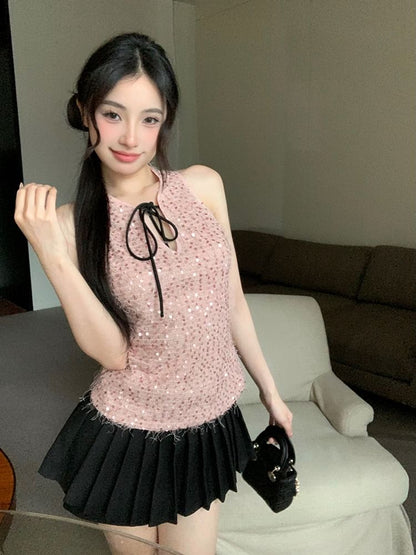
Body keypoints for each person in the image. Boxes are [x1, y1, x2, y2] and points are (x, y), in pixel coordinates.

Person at [14, 32, 293, 555]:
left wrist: (270, 391)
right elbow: (113, 354)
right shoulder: (70, 225)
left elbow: (231, 302)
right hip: (128, 430)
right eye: (112, 114)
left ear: (165, 121)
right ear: (85, 113)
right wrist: (50, 251)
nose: (130, 137)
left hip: (206, 420)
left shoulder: (203, 185)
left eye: (150, 118)